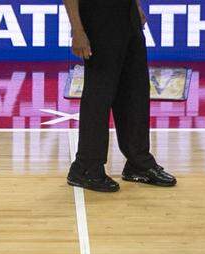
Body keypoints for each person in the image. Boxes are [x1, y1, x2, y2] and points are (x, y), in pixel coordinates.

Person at [64, 0, 176, 192]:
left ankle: (138, 163)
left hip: (127, 12)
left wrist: (136, 6)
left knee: (135, 88)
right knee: (100, 91)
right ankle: (86, 167)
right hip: (99, 16)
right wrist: (77, 30)